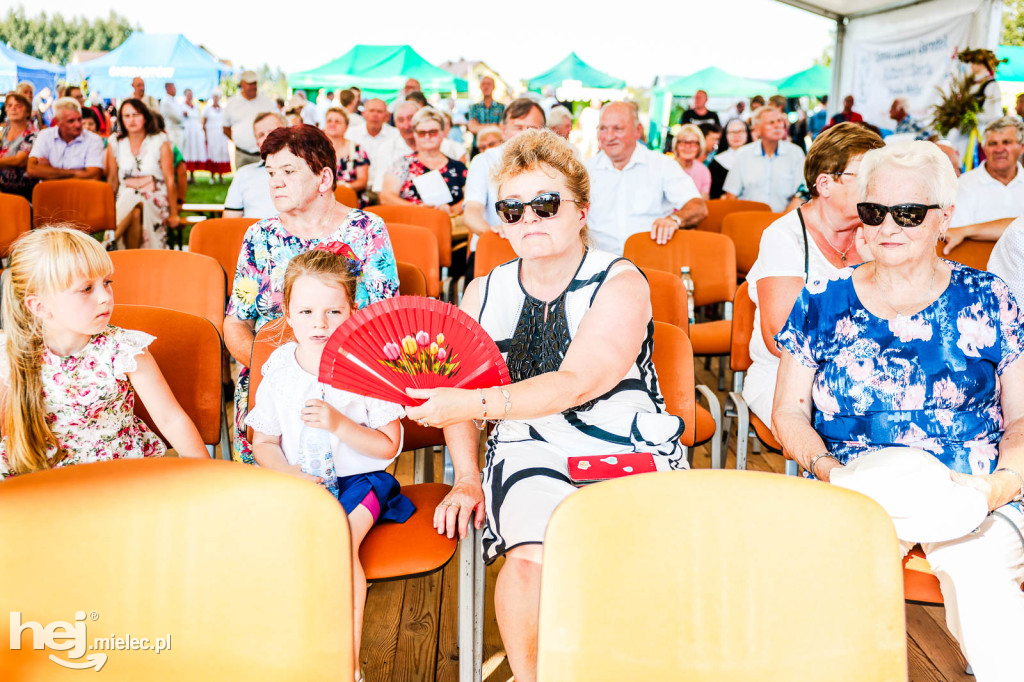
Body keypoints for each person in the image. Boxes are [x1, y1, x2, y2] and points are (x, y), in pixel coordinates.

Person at [404, 129, 687, 682]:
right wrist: (465, 478)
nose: (528, 218)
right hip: (525, 441)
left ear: (580, 210)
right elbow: (460, 402)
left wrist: (474, 399)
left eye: (545, 203)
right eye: (511, 208)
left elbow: (579, 380)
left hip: (623, 437)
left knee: (626, 553)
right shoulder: (482, 291)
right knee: (531, 554)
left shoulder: (620, 279)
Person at [772, 139, 1024, 681]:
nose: (888, 227)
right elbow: (790, 413)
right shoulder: (822, 299)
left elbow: (1022, 417)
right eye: (874, 211)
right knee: (835, 583)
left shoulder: (988, 297)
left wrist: (1000, 484)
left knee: (983, 579)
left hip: (970, 486)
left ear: (944, 219)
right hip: (855, 482)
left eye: (909, 213)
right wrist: (829, 471)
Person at [246, 248, 412, 680]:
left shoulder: (368, 367)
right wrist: (295, 479)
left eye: (333, 311)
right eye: (306, 311)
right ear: (287, 311)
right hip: (299, 483)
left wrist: (340, 424)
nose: (319, 323)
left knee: (337, 545)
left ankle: (346, 664)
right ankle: (291, 652)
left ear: (352, 310)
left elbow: (388, 446)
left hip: (363, 481)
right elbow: (263, 441)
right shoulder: (281, 366)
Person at [224, 124, 399, 464]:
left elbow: (384, 322)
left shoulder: (366, 231)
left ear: (324, 179)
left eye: (289, 171)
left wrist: (326, 381)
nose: (276, 181)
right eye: (271, 172)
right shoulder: (260, 236)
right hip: (273, 379)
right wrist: (276, 374)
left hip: (350, 385)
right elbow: (236, 323)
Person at [0, 226, 209, 480]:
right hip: (43, 484)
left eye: (107, 283)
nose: (105, 297)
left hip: (119, 477)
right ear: (40, 306)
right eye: (86, 288)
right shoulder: (9, 355)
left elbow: (170, 419)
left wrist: (205, 478)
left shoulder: (124, 349)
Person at [741, 123, 884, 423]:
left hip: (869, 370)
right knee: (860, 427)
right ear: (825, 184)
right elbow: (783, 340)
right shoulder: (783, 237)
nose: (878, 186)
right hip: (786, 378)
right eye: (866, 176)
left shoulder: (880, 234)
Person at [586, 101, 706, 253]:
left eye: (618, 129)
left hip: (649, 262)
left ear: (638, 130)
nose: (609, 137)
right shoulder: (585, 170)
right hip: (599, 263)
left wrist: (674, 220)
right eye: (603, 128)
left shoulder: (662, 165)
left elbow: (698, 207)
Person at [463, 98, 546, 245]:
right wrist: (494, 235)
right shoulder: (483, 161)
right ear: (503, 130)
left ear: (544, 133)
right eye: (518, 128)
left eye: (532, 128)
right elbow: (472, 212)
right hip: (495, 245)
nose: (524, 135)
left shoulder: (552, 164)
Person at [105, 99, 178, 250]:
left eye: (136, 115)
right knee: (134, 207)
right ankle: (132, 258)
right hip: (125, 199)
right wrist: (107, 211)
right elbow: (112, 180)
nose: (131, 120)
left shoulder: (160, 140)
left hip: (155, 198)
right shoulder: (115, 142)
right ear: (121, 119)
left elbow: (170, 179)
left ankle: (107, 242)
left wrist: (174, 213)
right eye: (127, 116)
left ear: (145, 116)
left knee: (134, 196)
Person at [381, 107, 467, 216]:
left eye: (433, 132)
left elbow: (472, 197)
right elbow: (386, 197)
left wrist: (452, 210)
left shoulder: (458, 167)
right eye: (422, 133)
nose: (427, 137)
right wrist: (419, 209)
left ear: (442, 133)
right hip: (413, 224)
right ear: (415, 135)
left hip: (452, 226)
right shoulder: (402, 164)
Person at [945, 117, 1024, 230]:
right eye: (993, 143)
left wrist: (970, 231)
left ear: (1022, 148)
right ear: (984, 148)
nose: (999, 149)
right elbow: (954, 234)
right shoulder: (963, 185)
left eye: (1006, 142)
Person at [723, 106, 806, 211]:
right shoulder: (743, 154)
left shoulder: (795, 153)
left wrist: (780, 222)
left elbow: (801, 194)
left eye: (779, 121)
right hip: (749, 220)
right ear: (757, 128)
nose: (777, 125)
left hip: (785, 221)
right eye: (771, 122)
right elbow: (731, 194)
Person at [223, 112, 288, 220]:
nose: (267, 137)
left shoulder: (304, 170)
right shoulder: (244, 174)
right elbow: (229, 222)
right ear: (258, 144)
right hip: (252, 233)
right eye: (261, 135)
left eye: (272, 132)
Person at [26, 98, 104, 182]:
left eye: (79, 119)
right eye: (71, 121)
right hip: (50, 193)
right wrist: (78, 173)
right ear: (57, 121)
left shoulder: (93, 139)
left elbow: (93, 176)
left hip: (80, 193)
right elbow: (31, 169)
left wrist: (49, 171)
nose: (78, 125)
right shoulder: (45, 136)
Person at [349, 98, 405, 195]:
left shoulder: (396, 135)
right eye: (371, 111)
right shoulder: (351, 134)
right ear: (364, 114)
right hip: (357, 189)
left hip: (386, 191)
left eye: (379, 111)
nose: (375, 115)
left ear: (387, 116)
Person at [223, 71, 277, 169]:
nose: (253, 87)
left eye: (255, 83)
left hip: (264, 155)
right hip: (242, 154)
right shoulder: (232, 103)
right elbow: (225, 128)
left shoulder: (266, 101)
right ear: (242, 84)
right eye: (250, 84)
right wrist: (239, 141)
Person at [323, 107, 369, 204]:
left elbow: (362, 181)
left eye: (337, 122)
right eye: (329, 121)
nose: (332, 124)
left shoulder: (357, 149)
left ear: (346, 127)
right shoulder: (315, 150)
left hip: (350, 199)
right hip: (323, 199)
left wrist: (343, 189)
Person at [0, 92, 38, 201]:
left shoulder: (33, 134)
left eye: (19, 105)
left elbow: (19, 161)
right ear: (6, 110)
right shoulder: (3, 132)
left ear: (27, 112)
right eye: (10, 105)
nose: (13, 109)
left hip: (24, 195)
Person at [708, 118, 751, 199]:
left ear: (747, 134)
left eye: (740, 131)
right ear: (725, 135)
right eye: (732, 132)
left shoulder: (757, 158)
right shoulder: (716, 162)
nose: (736, 135)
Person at [672, 123, 711, 199]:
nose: (687, 147)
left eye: (693, 143)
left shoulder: (703, 171)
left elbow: (702, 203)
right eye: (683, 142)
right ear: (676, 145)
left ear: (699, 147)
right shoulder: (667, 167)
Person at [202, 91, 231, 183]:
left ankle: (221, 176)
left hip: (221, 136)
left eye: (217, 97)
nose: (215, 99)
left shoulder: (223, 109)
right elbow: (203, 123)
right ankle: (212, 176)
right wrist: (205, 136)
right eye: (214, 97)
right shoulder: (207, 109)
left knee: (221, 153)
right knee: (213, 154)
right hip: (212, 135)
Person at [468, 76, 505, 142]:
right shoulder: (474, 107)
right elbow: (472, 128)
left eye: (488, 84)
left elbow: (502, 128)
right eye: (483, 84)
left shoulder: (502, 107)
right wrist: (494, 126)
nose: (486, 87)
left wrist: (480, 127)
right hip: (477, 147)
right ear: (480, 87)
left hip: (496, 145)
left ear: (494, 86)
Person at [181, 89, 206, 183]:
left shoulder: (196, 106)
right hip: (187, 132)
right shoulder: (182, 106)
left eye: (191, 94)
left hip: (195, 132)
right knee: (187, 151)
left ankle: (192, 175)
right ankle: (185, 175)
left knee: (194, 151)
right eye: (188, 94)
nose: (189, 96)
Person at [160, 82, 185, 151]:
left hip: (178, 130)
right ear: (168, 88)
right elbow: (176, 117)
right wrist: (183, 115)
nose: (175, 90)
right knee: (175, 153)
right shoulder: (166, 101)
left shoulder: (174, 100)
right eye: (173, 88)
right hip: (173, 131)